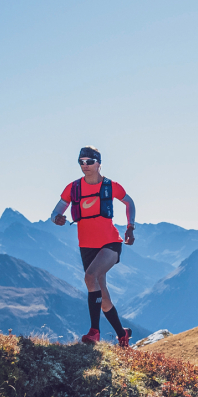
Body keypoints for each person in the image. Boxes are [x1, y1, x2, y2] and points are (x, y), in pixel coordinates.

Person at [51, 146, 136, 346]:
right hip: (86, 246)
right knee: (102, 295)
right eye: (81, 162)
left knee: (90, 277)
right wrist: (57, 218)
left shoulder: (110, 186)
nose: (85, 166)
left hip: (110, 243)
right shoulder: (73, 188)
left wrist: (130, 227)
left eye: (89, 161)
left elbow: (129, 202)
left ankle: (94, 331)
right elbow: (57, 210)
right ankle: (122, 333)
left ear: (98, 163)